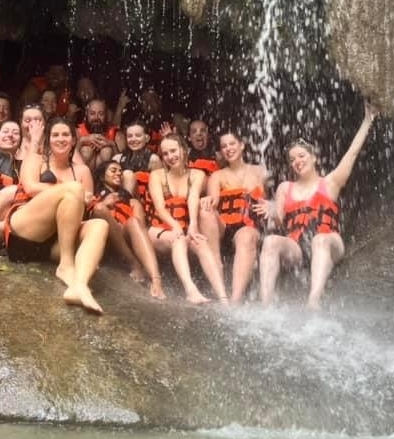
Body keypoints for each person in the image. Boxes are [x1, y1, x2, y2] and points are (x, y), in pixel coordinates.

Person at [258, 101, 379, 309]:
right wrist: (271, 211)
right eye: (292, 159)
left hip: (329, 242)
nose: (297, 161)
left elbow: (351, 154)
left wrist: (368, 120)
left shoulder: (330, 183)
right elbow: (278, 220)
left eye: (301, 156)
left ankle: (313, 301)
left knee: (320, 239)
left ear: (313, 157)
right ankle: (265, 303)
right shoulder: (285, 188)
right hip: (296, 247)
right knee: (270, 241)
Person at [4, 117, 109, 313]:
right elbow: (30, 187)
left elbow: (84, 208)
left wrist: (83, 199)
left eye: (65, 134)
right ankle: (66, 266)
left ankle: (79, 285)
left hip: (53, 244)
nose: (60, 139)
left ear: (74, 140)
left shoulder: (82, 171)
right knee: (74, 189)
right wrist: (74, 191)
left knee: (99, 225)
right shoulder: (36, 159)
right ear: (48, 139)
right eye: (55, 135)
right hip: (24, 233)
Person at [147, 134, 228, 304]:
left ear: (183, 150)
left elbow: (193, 197)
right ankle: (191, 290)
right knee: (178, 239)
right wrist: (175, 226)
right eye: (165, 153)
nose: (170, 156)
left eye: (173, 151)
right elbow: (160, 208)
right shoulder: (157, 175)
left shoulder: (197, 174)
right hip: (159, 230)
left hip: (183, 231)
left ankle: (223, 298)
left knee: (201, 243)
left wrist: (193, 225)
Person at [202, 133, 269, 304]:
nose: (228, 149)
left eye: (232, 144)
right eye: (224, 146)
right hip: (224, 228)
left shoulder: (260, 171)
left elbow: (274, 200)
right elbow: (214, 201)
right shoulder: (217, 176)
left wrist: (271, 206)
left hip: (249, 226)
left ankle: (235, 299)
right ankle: (217, 276)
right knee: (205, 212)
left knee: (246, 235)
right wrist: (207, 200)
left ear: (242, 145)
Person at [93, 160, 166, 299]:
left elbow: (140, 227)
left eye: (120, 171)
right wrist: (105, 203)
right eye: (113, 170)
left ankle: (156, 280)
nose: (118, 174)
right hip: (103, 237)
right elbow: (90, 216)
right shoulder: (95, 195)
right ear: (102, 176)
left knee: (134, 220)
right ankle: (133, 263)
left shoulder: (131, 201)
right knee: (99, 208)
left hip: (125, 238)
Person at [77, 98, 122, 169]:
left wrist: (112, 144)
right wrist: (81, 141)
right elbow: (67, 159)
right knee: (86, 150)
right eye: (92, 113)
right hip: (82, 174)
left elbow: (122, 165)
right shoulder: (77, 132)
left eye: (101, 114)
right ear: (86, 114)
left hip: (107, 175)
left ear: (106, 115)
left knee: (106, 151)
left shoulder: (117, 135)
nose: (96, 118)